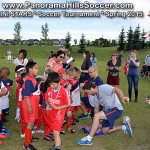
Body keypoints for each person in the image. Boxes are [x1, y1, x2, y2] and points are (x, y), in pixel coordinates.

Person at [77, 81, 132, 146]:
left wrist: (122, 97)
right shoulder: (94, 96)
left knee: (97, 116)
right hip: (109, 111)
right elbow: (96, 108)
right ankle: (124, 127)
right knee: (104, 131)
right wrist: (96, 121)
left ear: (91, 88)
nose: (88, 94)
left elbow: (117, 89)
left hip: (116, 109)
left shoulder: (104, 88)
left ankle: (89, 139)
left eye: (88, 92)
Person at [45, 72, 70, 150]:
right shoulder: (49, 89)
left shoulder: (63, 91)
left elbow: (68, 104)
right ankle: (57, 143)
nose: (52, 86)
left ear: (59, 82)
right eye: (50, 84)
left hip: (59, 115)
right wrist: (48, 105)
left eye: (53, 84)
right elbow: (46, 99)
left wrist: (56, 107)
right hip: (51, 114)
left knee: (56, 132)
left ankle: (57, 147)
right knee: (54, 131)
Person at [22, 62, 39, 150]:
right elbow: (26, 95)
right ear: (30, 69)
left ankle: (30, 138)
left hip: (34, 104)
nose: (37, 70)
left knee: (32, 122)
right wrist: (30, 107)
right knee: (30, 123)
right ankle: (26, 144)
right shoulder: (28, 80)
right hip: (30, 104)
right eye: (36, 68)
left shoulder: (32, 78)